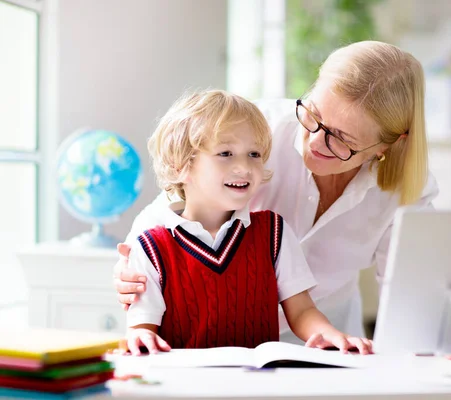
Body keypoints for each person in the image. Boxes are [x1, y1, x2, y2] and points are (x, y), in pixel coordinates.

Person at [115, 40, 439, 345]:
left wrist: (436, 351)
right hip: (210, 338)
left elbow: (413, 298)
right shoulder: (251, 132)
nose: (313, 141)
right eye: (314, 114)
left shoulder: (408, 187)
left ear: (390, 143)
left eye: (342, 139)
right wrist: (136, 270)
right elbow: (173, 208)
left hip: (328, 333)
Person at [125, 89, 373, 356]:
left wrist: (332, 335)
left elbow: (302, 311)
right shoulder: (150, 247)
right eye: (226, 153)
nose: (244, 167)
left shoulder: (274, 233)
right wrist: (138, 336)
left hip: (257, 385)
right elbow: (142, 327)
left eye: (254, 154)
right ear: (180, 166)